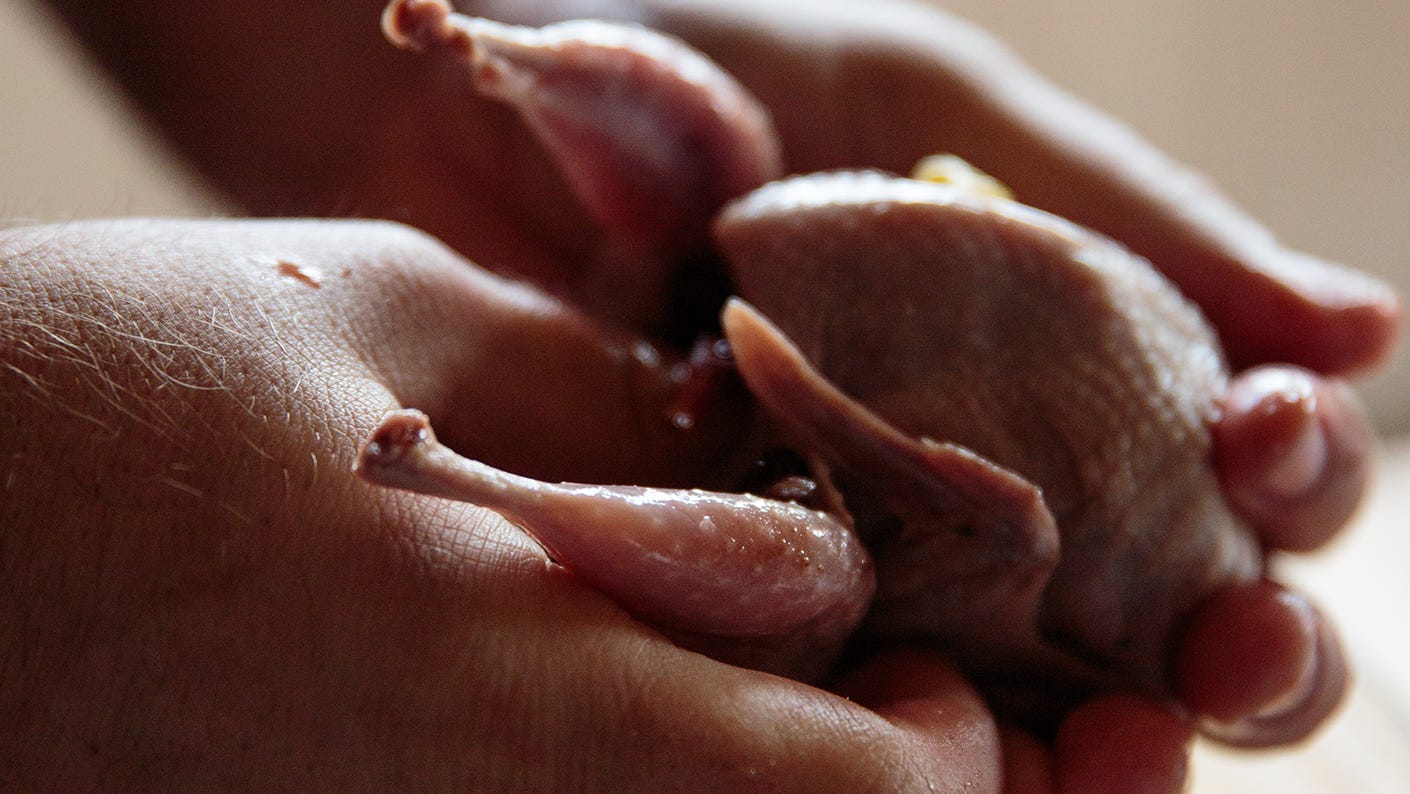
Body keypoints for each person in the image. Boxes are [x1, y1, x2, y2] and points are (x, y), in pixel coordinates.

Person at [1, 0, 1399, 790]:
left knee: (837, 567)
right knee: (823, 564)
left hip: (1026, 500)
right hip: (893, 478)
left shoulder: (717, 228)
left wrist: (474, 48)